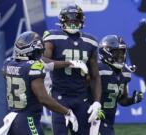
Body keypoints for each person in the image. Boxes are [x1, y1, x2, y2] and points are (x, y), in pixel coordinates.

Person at [0, 31, 79, 135]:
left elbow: (44, 64)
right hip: (28, 120)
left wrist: (69, 63)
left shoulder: (7, 64)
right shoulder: (34, 67)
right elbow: (44, 99)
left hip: (13, 117)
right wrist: (66, 112)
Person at [43, 4, 103, 135]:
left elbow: (95, 76)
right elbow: (44, 62)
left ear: (82, 21)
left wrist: (97, 101)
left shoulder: (90, 42)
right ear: (62, 20)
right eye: (69, 20)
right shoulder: (52, 37)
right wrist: (69, 63)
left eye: (76, 20)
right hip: (59, 97)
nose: (73, 23)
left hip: (81, 97)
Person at [98, 35, 143, 135]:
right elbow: (81, 93)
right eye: (116, 52)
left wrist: (132, 100)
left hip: (108, 120)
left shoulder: (125, 73)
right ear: (105, 52)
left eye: (122, 52)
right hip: (91, 118)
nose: (120, 56)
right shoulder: (98, 69)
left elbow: (122, 100)